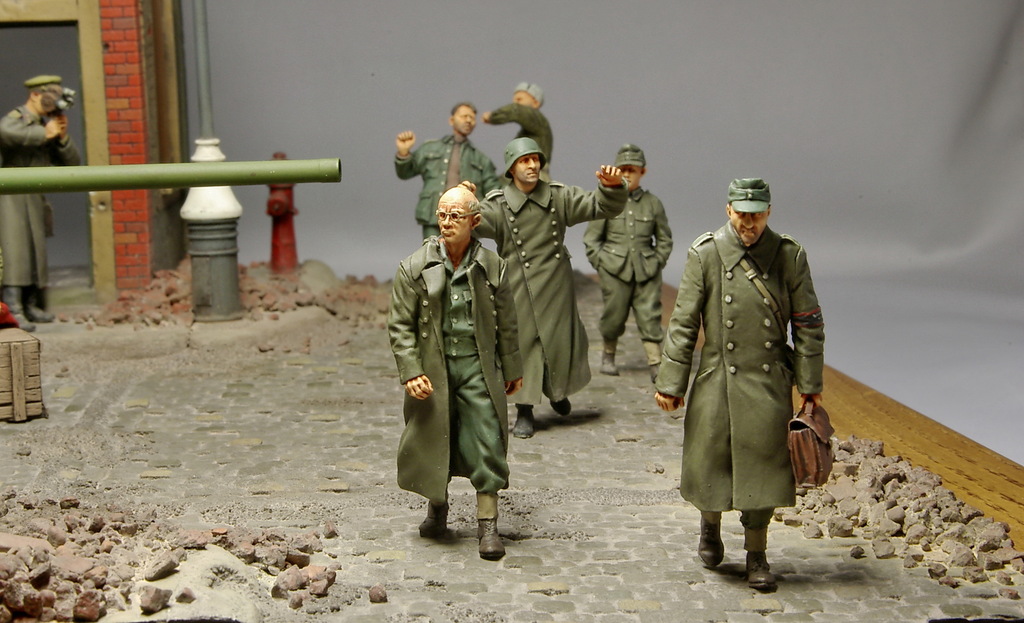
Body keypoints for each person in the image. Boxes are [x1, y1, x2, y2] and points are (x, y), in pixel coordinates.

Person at [653, 178, 824, 591]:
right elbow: (683, 323)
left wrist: (809, 384)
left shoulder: (788, 256)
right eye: (742, 214)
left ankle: (757, 552)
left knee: (764, 469)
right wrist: (672, 383)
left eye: (757, 214)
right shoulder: (706, 254)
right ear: (728, 210)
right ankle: (709, 527)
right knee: (710, 464)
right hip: (718, 378)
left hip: (767, 382)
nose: (749, 223)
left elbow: (808, 323)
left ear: (769, 212)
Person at [387, 186, 523, 560]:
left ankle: (488, 524)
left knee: (487, 439)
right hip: (435, 370)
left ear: (474, 221)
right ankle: (437, 509)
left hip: (478, 367)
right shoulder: (414, 267)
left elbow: (508, 322)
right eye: (442, 214)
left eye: (455, 216)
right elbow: (400, 326)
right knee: (434, 439)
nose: (446, 222)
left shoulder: (493, 266)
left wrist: (512, 367)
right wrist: (411, 371)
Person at [472, 137, 627, 439]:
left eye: (535, 159)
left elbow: (599, 206)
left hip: (556, 284)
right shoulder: (499, 204)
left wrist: (611, 187)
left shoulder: (559, 197)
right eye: (524, 161)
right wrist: (465, 202)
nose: (532, 166)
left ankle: (558, 391)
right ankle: (524, 409)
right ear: (511, 168)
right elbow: (474, 224)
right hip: (518, 285)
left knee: (559, 342)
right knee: (523, 345)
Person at [583, 144, 673, 382]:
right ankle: (608, 355)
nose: (627, 174)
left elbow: (664, 239)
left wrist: (657, 261)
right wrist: (602, 264)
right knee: (613, 315)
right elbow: (592, 239)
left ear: (643, 171)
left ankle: (655, 362)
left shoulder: (653, 204)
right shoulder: (607, 201)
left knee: (650, 315)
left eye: (632, 170)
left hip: (646, 270)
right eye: (623, 170)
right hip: (614, 270)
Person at [0, 75, 82, 331]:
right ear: (35, 95)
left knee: (34, 249)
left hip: (34, 195)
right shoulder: (17, 119)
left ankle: (30, 303)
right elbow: (5, 131)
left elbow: (72, 163)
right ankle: (13, 307)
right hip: (11, 195)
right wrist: (43, 133)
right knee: (15, 251)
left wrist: (61, 137)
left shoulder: (44, 124)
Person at [394, 102, 501, 240]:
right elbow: (405, 173)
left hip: (464, 218)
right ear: (451, 120)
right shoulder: (430, 148)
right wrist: (404, 154)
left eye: (472, 118)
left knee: (465, 252)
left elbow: (494, 193)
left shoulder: (481, 159)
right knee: (432, 250)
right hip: (433, 215)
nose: (468, 120)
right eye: (464, 116)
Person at [482, 83, 553, 181]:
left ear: (535, 103)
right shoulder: (530, 130)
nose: (515, 103)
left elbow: (516, 110)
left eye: (519, 99)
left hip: (534, 175)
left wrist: (493, 116)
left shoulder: (538, 120)